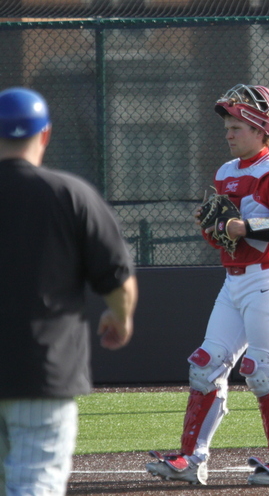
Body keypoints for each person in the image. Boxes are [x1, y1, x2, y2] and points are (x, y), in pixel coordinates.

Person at [146, 84, 269, 486]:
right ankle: (191, 459)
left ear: (262, 130)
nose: (229, 134)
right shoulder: (226, 172)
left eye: (237, 127)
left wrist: (242, 226)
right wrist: (213, 228)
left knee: (263, 371)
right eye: (228, 127)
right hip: (234, 280)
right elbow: (223, 236)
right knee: (205, 365)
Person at [0, 87, 138, 495]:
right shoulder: (70, 193)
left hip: (39, 374)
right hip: (42, 373)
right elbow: (118, 280)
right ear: (45, 134)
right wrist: (120, 318)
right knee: (34, 482)